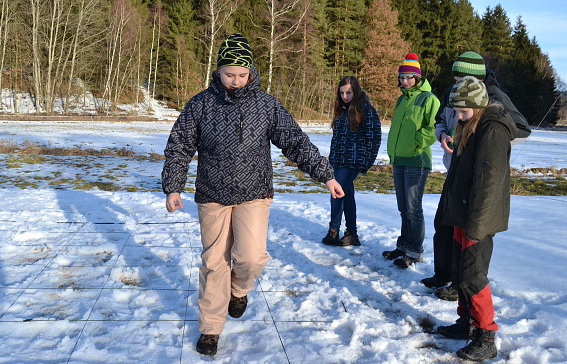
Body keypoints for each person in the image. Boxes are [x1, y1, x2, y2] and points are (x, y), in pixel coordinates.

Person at [161, 33, 344, 357]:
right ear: (218, 71)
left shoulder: (266, 105)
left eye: (241, 75)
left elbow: (295, 142)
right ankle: (210, 329)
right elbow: (179, 146)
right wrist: (174, 186)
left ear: (251, 72)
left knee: (251, 257)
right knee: (214, 263)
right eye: (229, 74)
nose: (235, 81)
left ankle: (239, 289)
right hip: (212, 193)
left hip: (254, 192)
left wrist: (325, 175)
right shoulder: (200, 104)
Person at [420, 51, 531, 301]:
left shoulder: (494, 97)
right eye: (455, 79)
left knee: (471, 242)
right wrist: (443, 135)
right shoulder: (454, 92)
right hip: (455, 171)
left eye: (461, 79)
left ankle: (461, 285)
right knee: (444, 225)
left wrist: (486, 143)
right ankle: (443, 275)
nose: (457, 83)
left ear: (478, 78)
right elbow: (441, 120)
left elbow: (521, 129)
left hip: (475, 176)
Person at [435, 76, 516, 361]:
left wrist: (477, 226)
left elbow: (488, 183)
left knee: (473, 275)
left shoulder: (493, 130)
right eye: (456, 111)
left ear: (479, 106)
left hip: (478, 219)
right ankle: (467, 322)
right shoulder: (471, 126)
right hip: (463, 213)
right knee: (460, 272)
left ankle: (486, 335)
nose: (458, 117)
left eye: (463, 111)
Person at [383, 53, 440, 268]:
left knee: (413, 208)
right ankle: (403, 246)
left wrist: (416, 144)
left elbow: (433, 128)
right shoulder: (402, 99)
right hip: (399, 159)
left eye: (409, 77)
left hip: (417, 159)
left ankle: (415, 252)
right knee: (403, 208)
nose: (405, 81)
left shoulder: (429, 99)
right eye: (402, 77)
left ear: (417, 78)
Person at [322, 76, 382, 247]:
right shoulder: (342, 109)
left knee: (336, 192)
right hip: (338, 161)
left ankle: (333, 231)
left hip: (354, 161)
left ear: (356, 91)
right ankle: (352, 234)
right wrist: (332, 159)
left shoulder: (366, 110)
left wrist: (367, 162)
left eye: (348, 92)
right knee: (346, 196)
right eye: (342, 92)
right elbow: (337, 138)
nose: (345, 96)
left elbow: (374, 138)